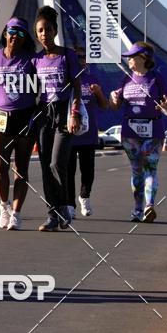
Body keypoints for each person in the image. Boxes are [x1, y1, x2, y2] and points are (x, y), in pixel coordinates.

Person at [0, 19, 39, 231]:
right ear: (5, 33)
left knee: (21, 168)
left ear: (25, 39)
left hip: (24, 116)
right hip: (0, 117)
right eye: (12, 31)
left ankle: (16, 213)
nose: (15, 36)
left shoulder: (31, 59)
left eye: (21, 33)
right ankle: (3, 206)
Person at [109, 42, 167, 222]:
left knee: (150, 168)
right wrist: (113, 97)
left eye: (132, 56)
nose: (129, 59)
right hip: (130, 132)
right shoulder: (126, 78)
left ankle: (149, 206)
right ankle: (137, 209)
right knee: (137, 170)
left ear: (143, 58)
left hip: (153, 130)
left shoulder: (156, 78)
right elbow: (114, 106)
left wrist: (166, 104)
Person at [33, 5, 82, 231]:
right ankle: (53, 214)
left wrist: (74, 113)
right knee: (45, 166)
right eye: (40, 30)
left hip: (63, 112)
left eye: (48, 29)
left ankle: (63, 206)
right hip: (44, 114)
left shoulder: (67, 55)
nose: (44, 34)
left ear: (55, 30)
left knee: (56, 163)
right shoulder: (36, 60)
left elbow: (76, 86)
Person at [67, 48, 108, 218]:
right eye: (76, 57)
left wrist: (98, 92)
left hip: (88, 134)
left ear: (87, 61)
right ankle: (70, 205)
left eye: (83, 57)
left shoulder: (92, 79)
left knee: (88, 170)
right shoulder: (66, 79)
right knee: (68, 171)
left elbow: (105, 106)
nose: (80, 60)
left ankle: (84, 196)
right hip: (69, 133)